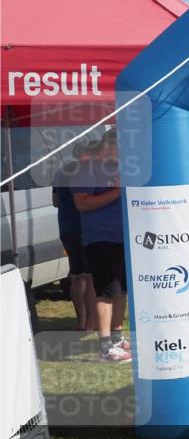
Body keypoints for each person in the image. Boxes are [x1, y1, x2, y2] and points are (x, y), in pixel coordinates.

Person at [72, 130, 129, 362]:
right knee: (108, 290)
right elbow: (82, 204)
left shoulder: (119, 168)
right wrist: (117, 192)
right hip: (101, 239)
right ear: (111, 145)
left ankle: (117, 337)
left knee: (122, 290)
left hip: (123, 238)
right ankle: (105, 346)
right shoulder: (87, 169)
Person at [52, 143, 96, 332]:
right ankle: (91, 323)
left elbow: (55, 202)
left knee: (77, 276)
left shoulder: (61, 172)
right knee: (91, 277)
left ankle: (81, 321)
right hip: (86, 227)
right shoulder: (89, 172)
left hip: (67, 227)